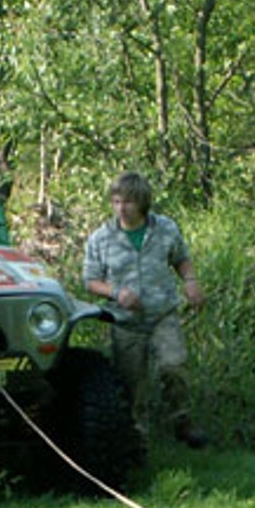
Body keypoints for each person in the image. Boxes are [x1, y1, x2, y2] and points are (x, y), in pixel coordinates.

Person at [81, 170, 208, 451]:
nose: (121, 208)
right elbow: (90, 281)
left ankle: (182, 420)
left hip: (162, 314)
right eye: (115, 201)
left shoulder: (165, 229)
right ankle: (136, 444)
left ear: (142, 203)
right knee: (131, 386)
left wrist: (191, 282)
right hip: (125, 321)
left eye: (127, 202)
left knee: (173, 366)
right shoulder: (101, 239)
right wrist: (116, 293)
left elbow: (182, 259)